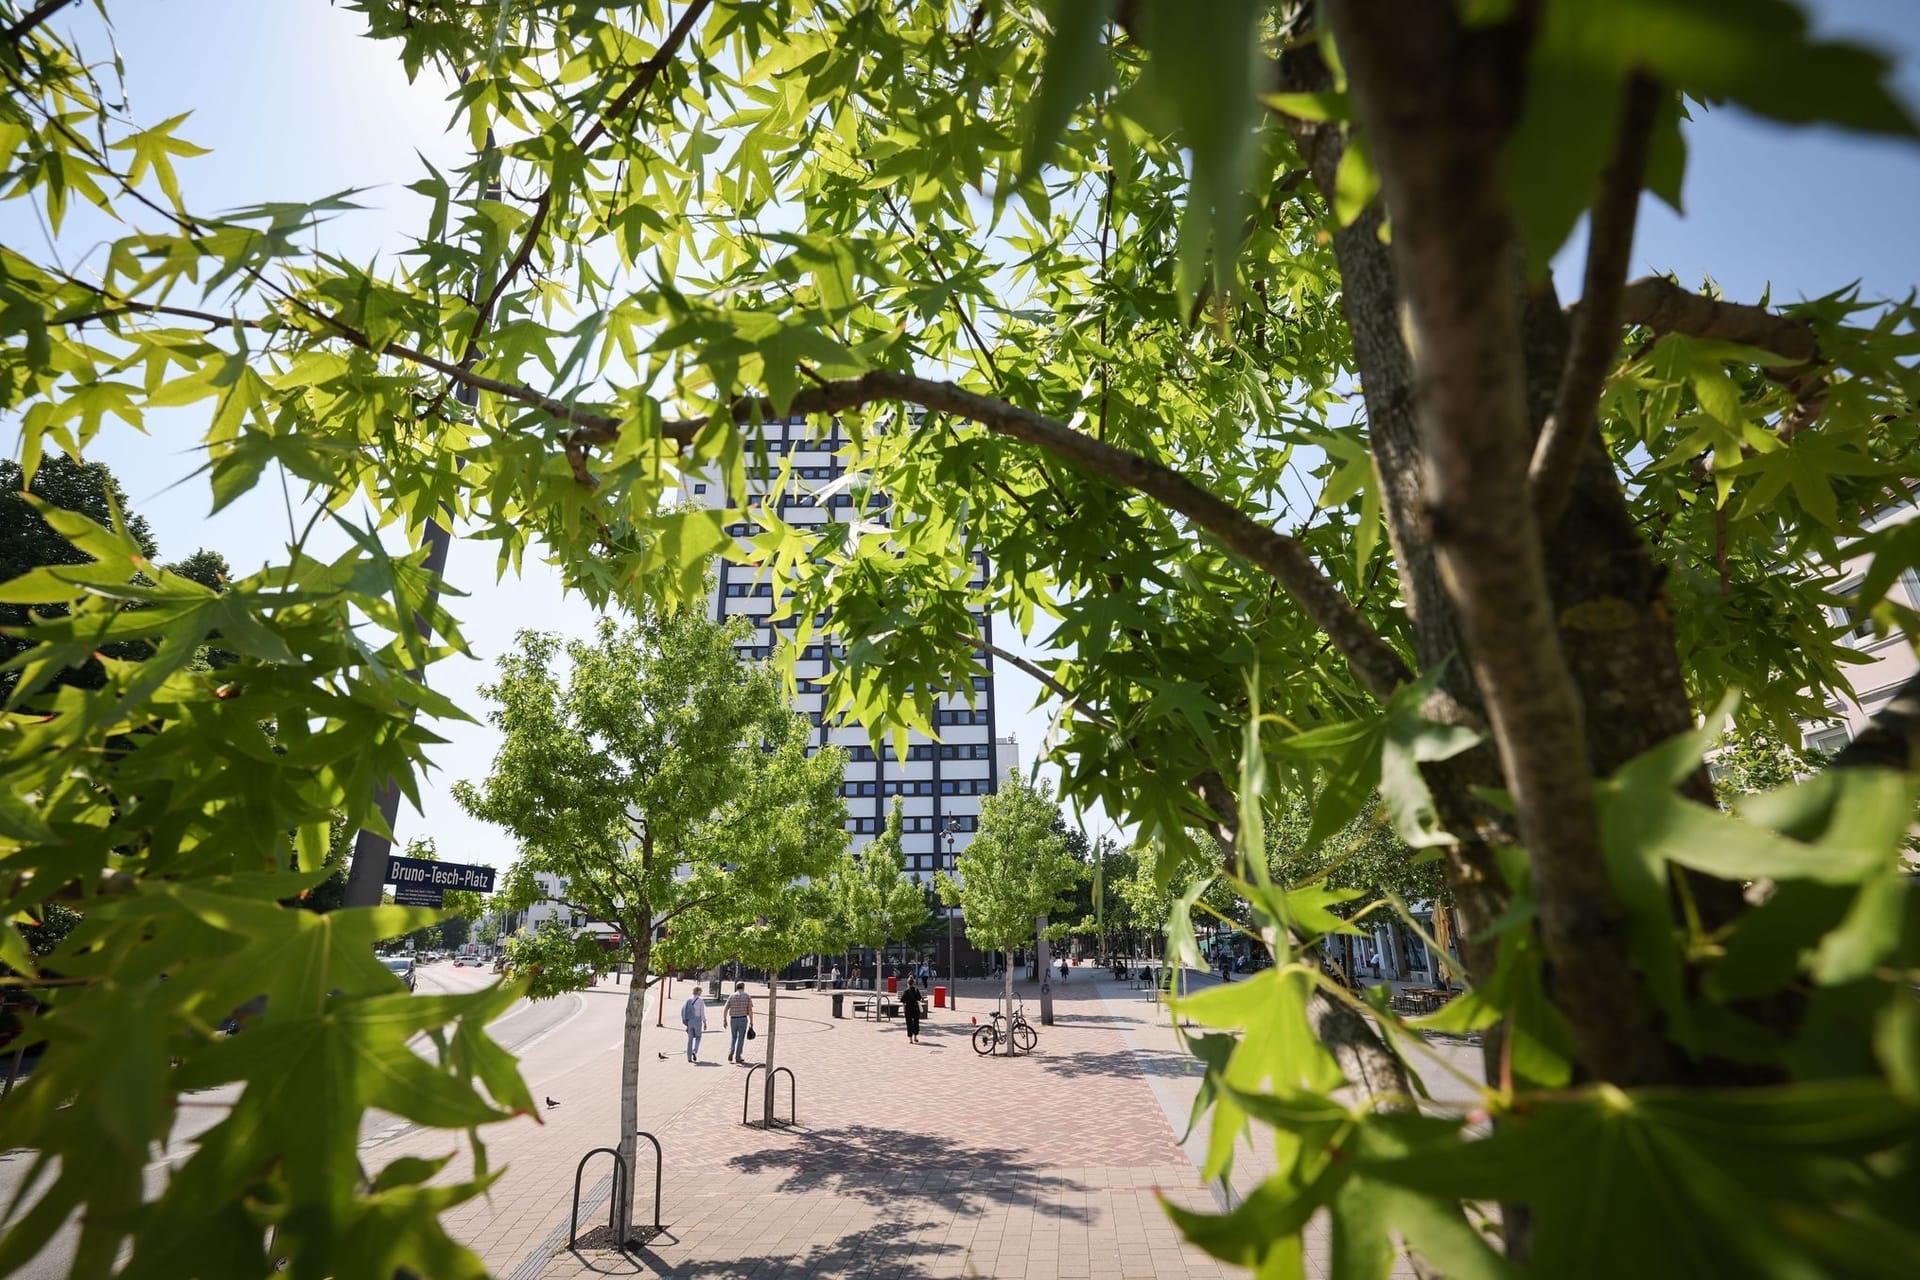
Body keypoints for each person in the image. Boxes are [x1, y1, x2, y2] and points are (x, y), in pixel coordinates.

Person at [724, 982, 755, 1064]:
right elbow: (750, 1010)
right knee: (741, 1038)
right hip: (742, 1019)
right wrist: (751, 1021)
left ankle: (731, 1051)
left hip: (733, 1019)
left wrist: (725, 1019)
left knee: (733, 1037)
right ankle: (738, 1057)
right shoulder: (747, 996)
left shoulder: (732, 996)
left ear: (736, 987)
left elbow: (726, 1009)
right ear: (743, 987)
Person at [679, 986, 707, 1063]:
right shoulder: (701, 1001)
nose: (701, 993)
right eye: (701, 991)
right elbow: (702, 1013)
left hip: (690, 1021)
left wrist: (685, 1022)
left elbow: (683, 1010)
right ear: (698, 992)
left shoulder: (688, 1000)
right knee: (698, 1037)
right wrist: (704, 1022)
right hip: (697, 1020)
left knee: (690, 1039)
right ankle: (695, 1051)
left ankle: (689, 1057)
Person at [902, 977, 925, 1044]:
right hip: (915, 1009)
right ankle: (915, 1037)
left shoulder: (906, 991)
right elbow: (919, 998)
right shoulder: (916, 990)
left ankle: (910, 1039)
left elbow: (903, 1002)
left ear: (908, 983)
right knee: (916, 1023)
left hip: (908, 1009)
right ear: (913, 983)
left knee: (909, 1024)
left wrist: (904, 1010)